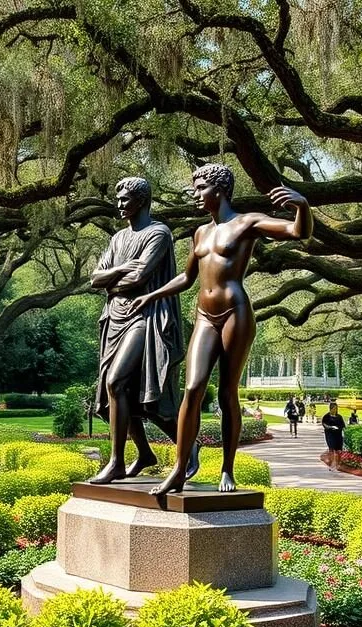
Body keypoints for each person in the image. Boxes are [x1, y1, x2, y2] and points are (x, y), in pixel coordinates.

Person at [131, 164, 313, 492]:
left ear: (220, 189)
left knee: (228, 391)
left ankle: (227, 469)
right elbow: (187, 278)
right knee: (193, 388)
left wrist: (302, 206)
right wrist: (151, 296)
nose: (196, 194)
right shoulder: (200, 233)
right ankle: (179, 467)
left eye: (201, 188)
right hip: (204, 315)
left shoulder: (247, 223)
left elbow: (298, 233)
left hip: (235, 313)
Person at [88, 177, 198, 484]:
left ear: (142, 200)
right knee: (122, 392)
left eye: (126, 199)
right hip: (115, 316)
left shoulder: (158, 233)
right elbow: (95, 279)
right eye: (118, 198)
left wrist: (115, 279)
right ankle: (144, 453)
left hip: (144, 316)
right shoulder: (117, 238)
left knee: (117, 381)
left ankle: (117, 462)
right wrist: (121, 270)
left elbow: (139, 277)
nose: (120, 204)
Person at [322, 402, 347, 472]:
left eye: (336, 409)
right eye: (333, 409)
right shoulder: (326, 417)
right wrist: (330, 427)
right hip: (330, 435)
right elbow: (324, 424)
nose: (334, 410)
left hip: (338, 435)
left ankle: (338, 464)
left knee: (338, 450)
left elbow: (343, 426)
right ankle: (331, 464)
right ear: (330, 409)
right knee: (331, 449)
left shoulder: (339, 417)